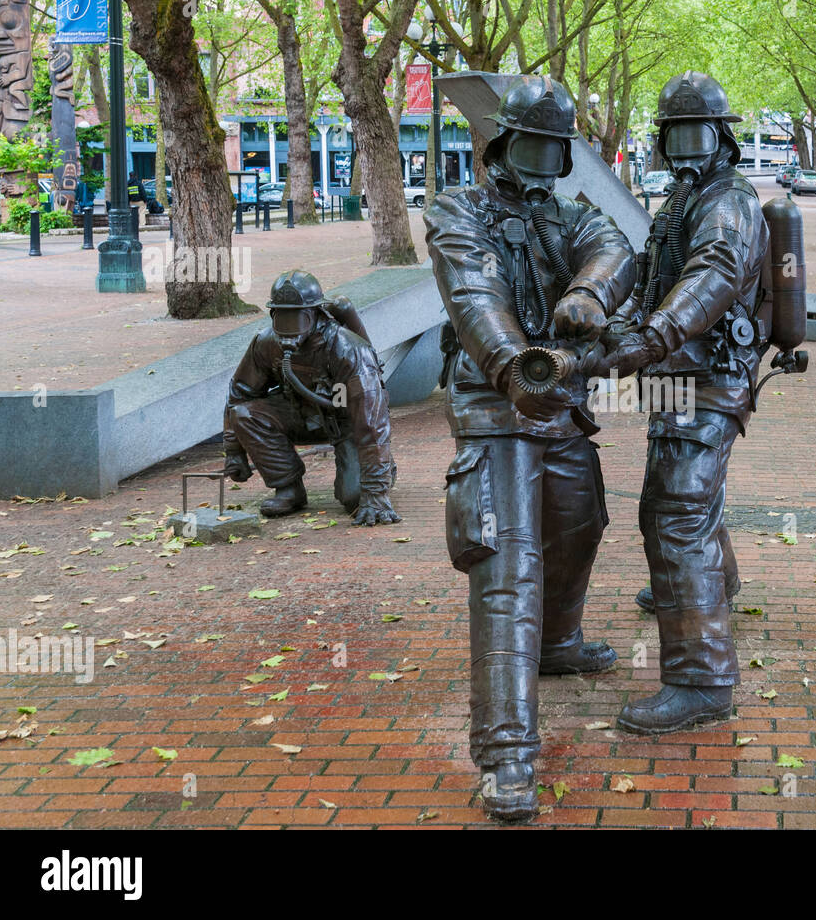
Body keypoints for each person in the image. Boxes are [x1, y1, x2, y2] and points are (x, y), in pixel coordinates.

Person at [424, 76, 636, 822]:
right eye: (534, 145)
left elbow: (611, 244)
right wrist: (516, 367)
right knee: (508, 566)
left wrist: (592, 293)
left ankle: (557, 641)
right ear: (504, 144)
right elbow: (475, 296)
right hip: (495, 401)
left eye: (556, 147)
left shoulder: (570, 214)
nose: (545, 160)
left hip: (561, 401)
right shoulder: (457, 209)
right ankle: (506, 753)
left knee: (581, 521)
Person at [597, 71, 768, 734]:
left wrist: (649, 338)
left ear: (723, 139)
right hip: (678, 374)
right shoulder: (680, 202)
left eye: (699, 134)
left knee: (675, 515)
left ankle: (701, 680)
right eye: (677, 136)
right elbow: (656, 275)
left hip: (707, 377)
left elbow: (715, 274)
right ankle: (711, 586)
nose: (688, 148)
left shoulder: (727, 203)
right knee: (684, 501)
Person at [222, 271, 400, 526]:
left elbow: (372, 422)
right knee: (245, 413)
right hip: (299, 415)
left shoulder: (347, 348)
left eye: (297, 317)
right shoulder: (265, 343)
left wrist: (375, 490)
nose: (288, 327)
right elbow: (239, 395)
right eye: (282, 317)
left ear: (314, 314)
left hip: (346, 422)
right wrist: (234, 451)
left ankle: (383, 471)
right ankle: (287, 488)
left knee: (355, 498)